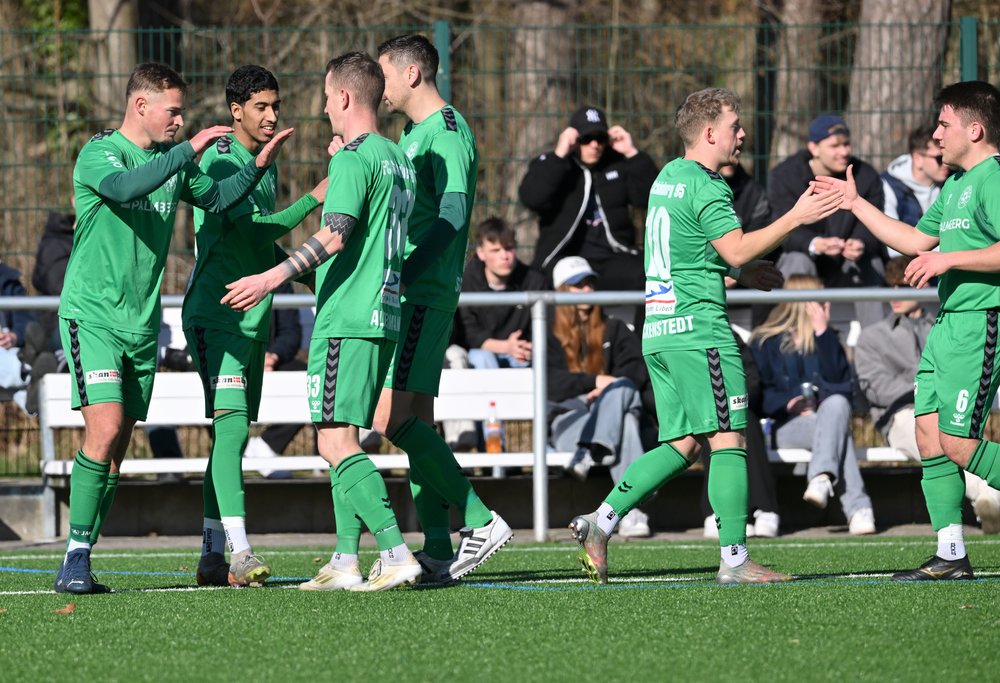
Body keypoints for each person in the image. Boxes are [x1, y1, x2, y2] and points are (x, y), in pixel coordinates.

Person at [568, 87, 843, 585]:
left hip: (661, 331)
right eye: (735, 126)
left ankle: (599, 522)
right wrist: (795, 218)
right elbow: (733, 248)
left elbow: (692, 249)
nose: (743, 134)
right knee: (729, 438)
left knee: (683, 445)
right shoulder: (709, 186)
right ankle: (735, 560)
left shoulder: (669, 177)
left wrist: (740, 271)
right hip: (700, 331)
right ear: (711, 133)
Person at [52, 62, 292, 595]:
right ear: (141, 106)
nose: (181, 122)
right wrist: (187, 151)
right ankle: (74, 558)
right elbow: (124, 188)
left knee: (117, 447)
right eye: (174, 111)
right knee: (105, 429)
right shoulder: (102, 152)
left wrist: (257, 165)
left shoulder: (173, 162)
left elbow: (220, 199)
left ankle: (83, 554)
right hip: (92, 315)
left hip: (141, 326)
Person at [222, 51, 422, 592]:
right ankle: (344, 559)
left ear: (345, 96)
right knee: (342, 437)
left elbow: (335, 234)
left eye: (328, 97)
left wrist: (271, 277)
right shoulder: (395, 157)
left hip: (347, 318)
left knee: (334, 443)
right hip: (383, 313)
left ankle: (396, 551)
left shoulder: (354, 159)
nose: (324, 107)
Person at [814, 80, 1000, 580]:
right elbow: (914, 240)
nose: (936, 135)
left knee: (959, 443)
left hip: (981, 323)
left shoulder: (993, 179)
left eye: (944, 124)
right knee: (928, 434)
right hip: (948, 323)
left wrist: (949, 260)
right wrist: (856, 204)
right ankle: (951, 554)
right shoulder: (956, 184)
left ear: (974, 130)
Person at [366, 34, 511, 586]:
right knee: (416, 423)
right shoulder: (412, 133)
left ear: (411, 74)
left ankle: (480, 518)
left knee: (389, 420)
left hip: (422, 294)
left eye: (383, 75)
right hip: (414, 293)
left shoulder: (447, 132)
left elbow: (451, 215)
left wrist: (405, 271)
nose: (377, 87)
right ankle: (435, 548)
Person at [181, 65, 326, 587]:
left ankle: (211, 554)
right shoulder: (221, 158)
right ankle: (240, 553)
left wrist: (312, 277)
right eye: (261, 107)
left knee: (230, 438)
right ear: (235, 110)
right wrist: (315, 197)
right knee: (234, 428)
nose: (271, 115)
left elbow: (262, 248)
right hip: (216, 313)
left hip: (253, 317)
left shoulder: (263, 161)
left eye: (276, 106)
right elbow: (253, 229)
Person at [854, 255, 1000, 532]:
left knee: (956, 436)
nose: (895, 294)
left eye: (903, 285)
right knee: (931, 431)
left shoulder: (943, 325)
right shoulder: (872, 337)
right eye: (890, 286)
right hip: (897, 415)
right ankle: (988, 495)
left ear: (921, 283)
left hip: (944, 408)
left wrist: (925, 381)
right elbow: (878, 390)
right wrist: (923, 380)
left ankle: (980, 511)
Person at [750, 274, 876, 535]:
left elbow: (843, 387)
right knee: (837, 432)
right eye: (820, 297)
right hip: (784, 426)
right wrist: (789, 403)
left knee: (836, 404)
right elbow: (760, 395)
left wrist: (822, 333)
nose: (826, 303)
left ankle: (822, 478)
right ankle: (857, 507)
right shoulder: (765, 341)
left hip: (825, 417)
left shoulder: (827, 337)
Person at [547, 256, 654, 537]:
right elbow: (550, 383)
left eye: (589, 283)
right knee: (625, 419)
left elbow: (637, 371)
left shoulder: (614, 327)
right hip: (570, 422)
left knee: (623, 393)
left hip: (594, 435)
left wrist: (607, 391)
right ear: (561, 290)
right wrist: (595, 381)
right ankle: (632, 511)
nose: (586, 290)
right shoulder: (547, 332)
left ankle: (589, 449)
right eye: (577, 285)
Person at [518, 104, 659, 311]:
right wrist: (559, 155)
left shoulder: (618, 164)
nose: (594, 145)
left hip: (612, 257)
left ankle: (638, 333)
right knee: (568, 279)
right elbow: (532, 198)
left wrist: (632, 153)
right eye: (587, 139)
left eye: (600, 139)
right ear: (575, 140)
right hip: (566, 257)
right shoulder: (555, 164)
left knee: (653, 274)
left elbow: (651, 198)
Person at [767, 114, 887, 327]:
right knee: (796, 260)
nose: (844, 152)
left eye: (846, 144)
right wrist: (815, 244)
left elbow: (874, 223)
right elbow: (781, 226)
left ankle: (875, 338)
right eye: (834, 146)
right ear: (814, 148)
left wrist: (860, 243)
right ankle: (795, 335)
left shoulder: (866, 176)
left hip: (847, 265)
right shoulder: (784, 176)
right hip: (807, 261)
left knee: (870, 261)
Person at [459, 217, 544, 369]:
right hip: (481, 354)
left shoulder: (534, 281)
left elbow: (543, 328)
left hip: (520, 354)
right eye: (495, 250)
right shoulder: (466, 281)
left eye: (509, 248)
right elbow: (467, 330)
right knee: (481, 358)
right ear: (481, 253)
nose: (504, 256)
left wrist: (525, 348)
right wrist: (505, 347)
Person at [0, 260, 54, 415]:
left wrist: (14, 336)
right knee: (28, 382)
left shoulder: (7, 280)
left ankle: (28, 374)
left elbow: (25, 318)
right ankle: (30, 371)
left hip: (10, 352)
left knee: (20, 385)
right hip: (11, 361)